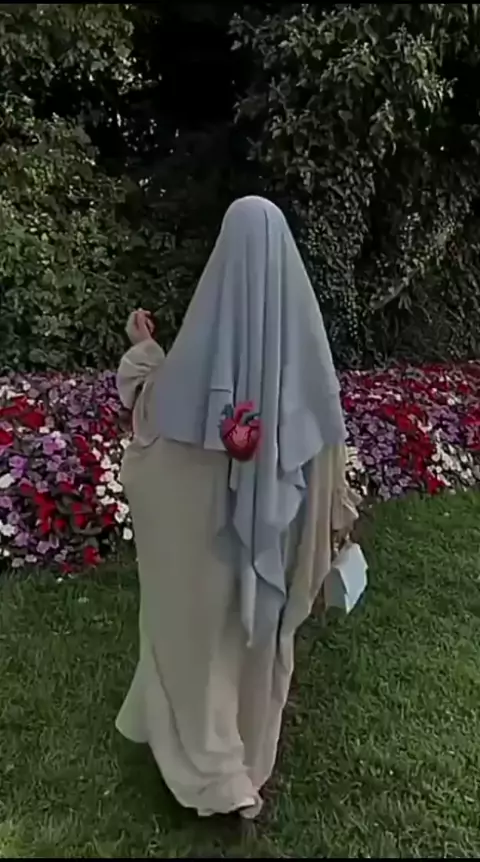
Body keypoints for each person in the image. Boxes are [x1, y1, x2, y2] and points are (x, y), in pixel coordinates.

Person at [115, 196, 360, 820]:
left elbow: (153, 417)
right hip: (273, 545)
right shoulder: (308, 359)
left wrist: (143, 349)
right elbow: (326, 450)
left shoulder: (197, 358)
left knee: (204, 646)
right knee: (257, 639)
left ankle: (216, 767)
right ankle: (249, 760)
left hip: (204, 550)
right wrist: (323, 515)